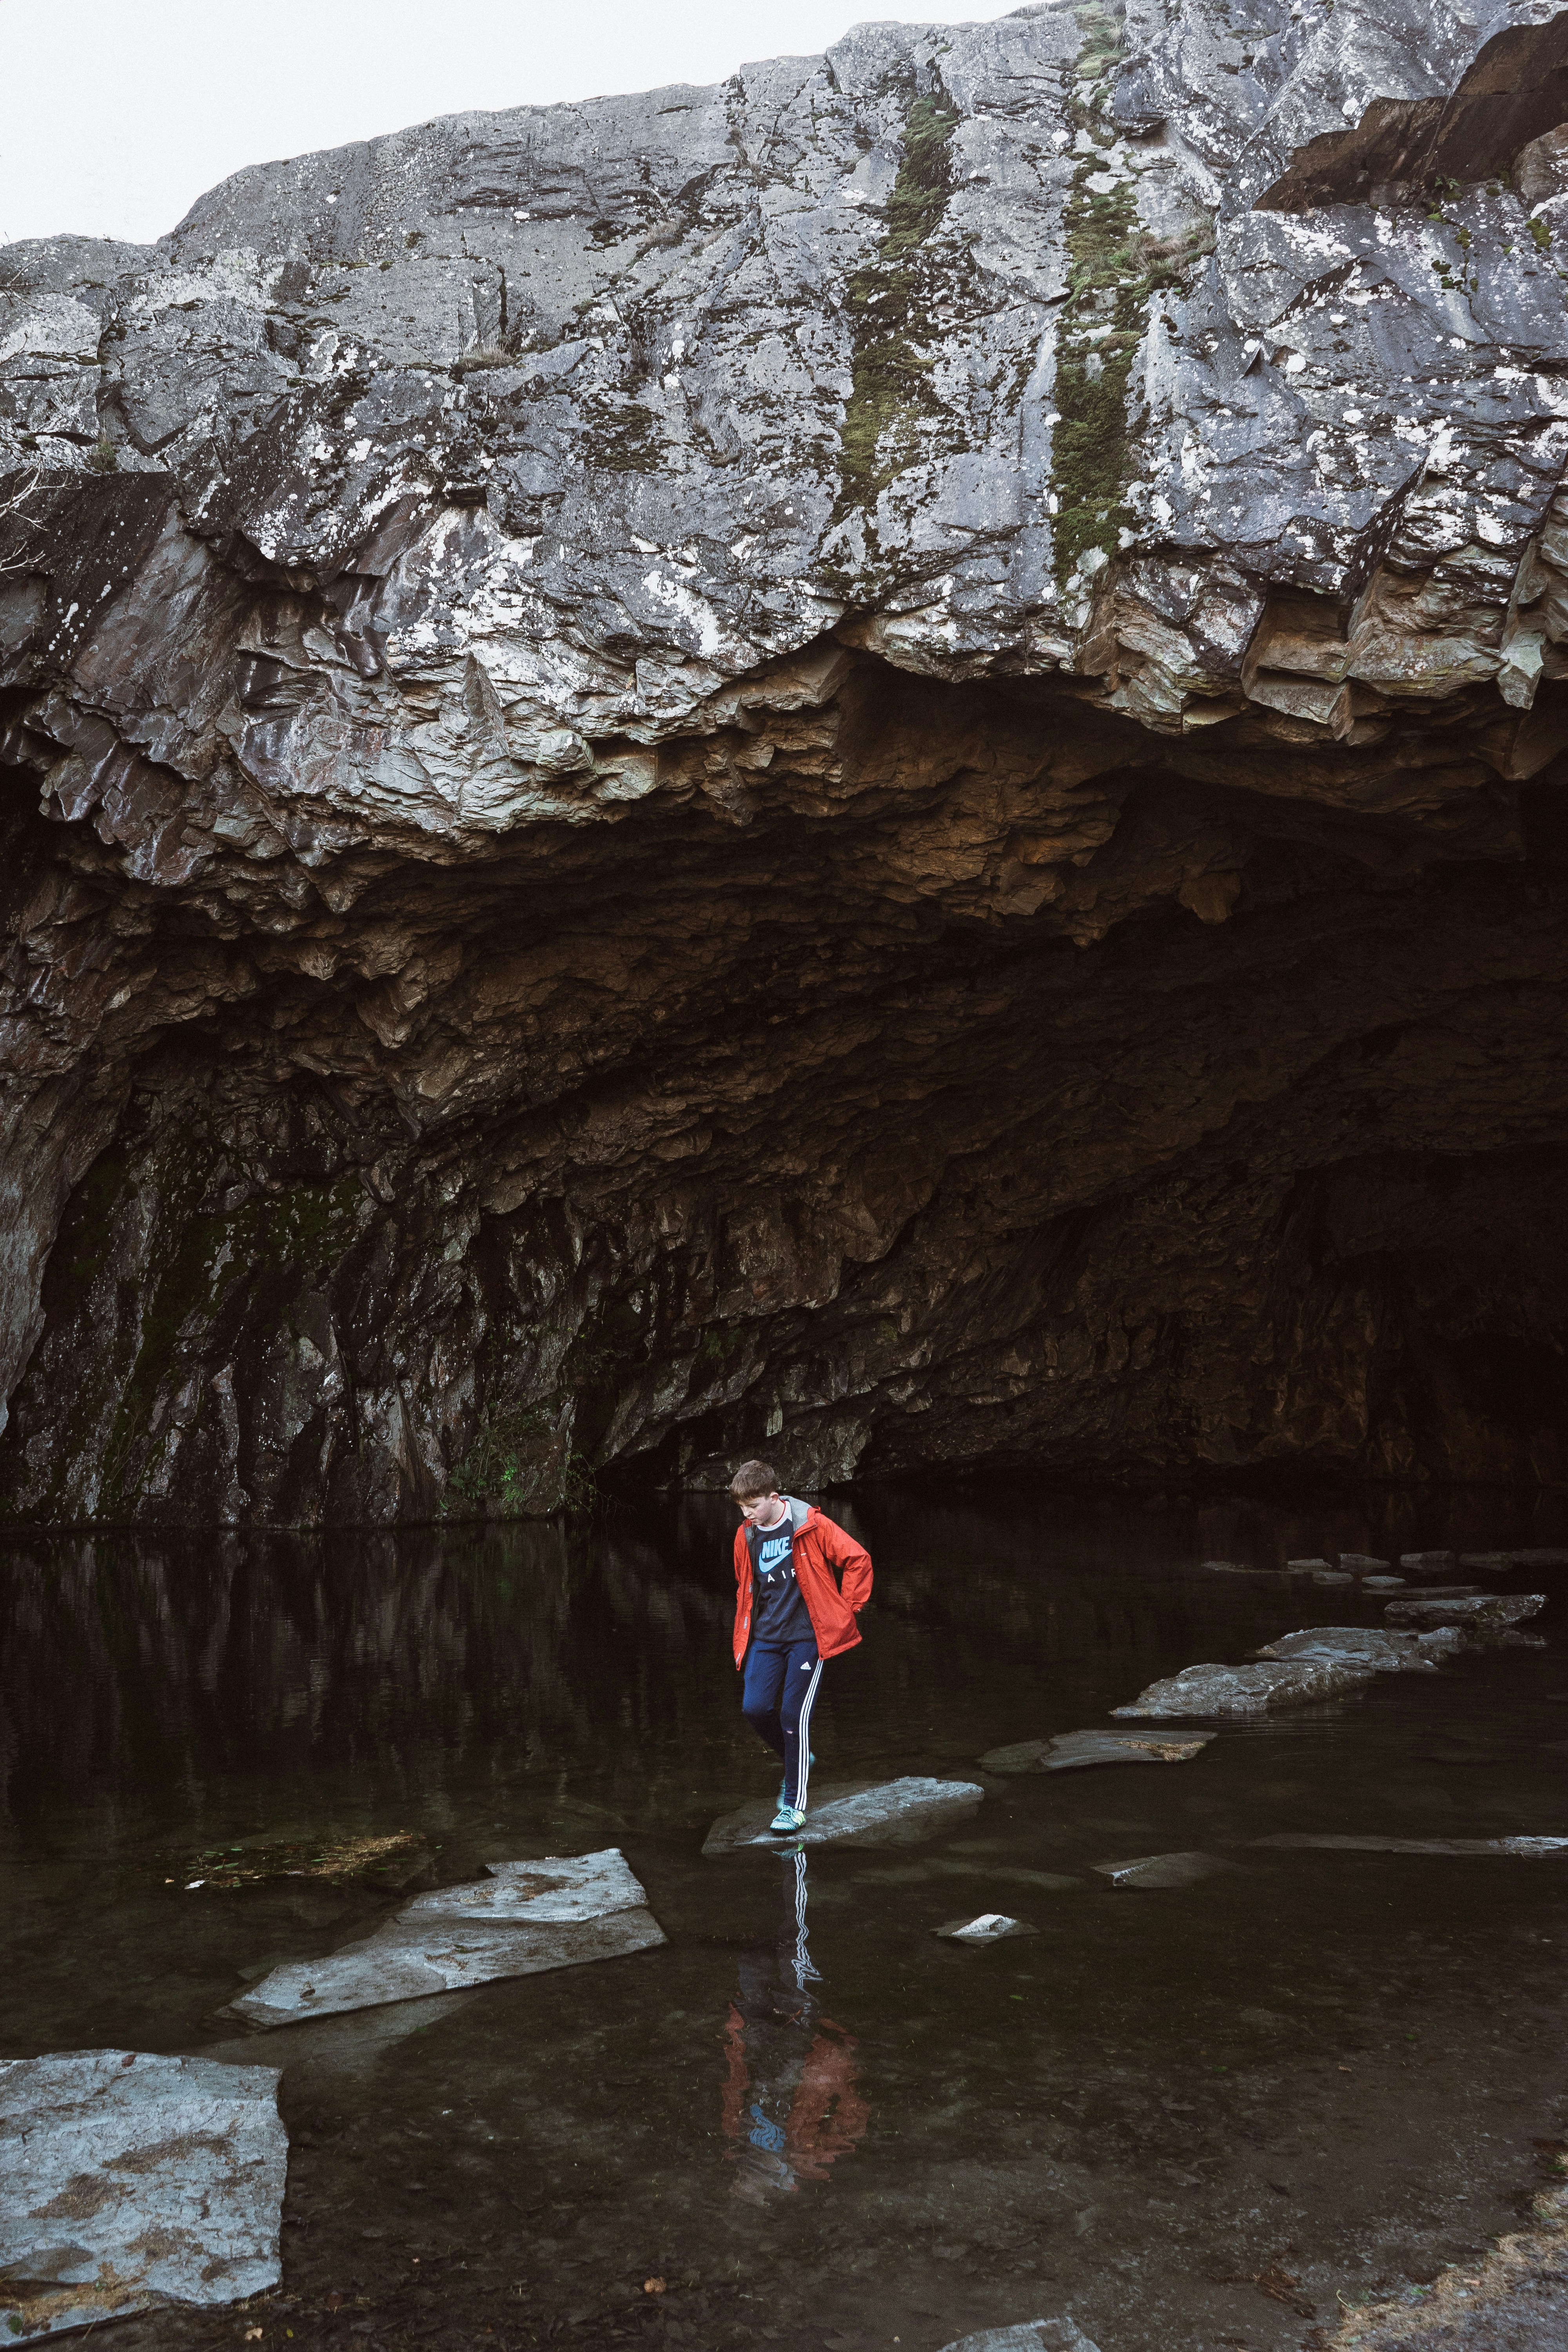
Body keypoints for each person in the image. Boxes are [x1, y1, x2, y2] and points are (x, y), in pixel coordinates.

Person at [728, 1458, 873, 1834]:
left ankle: (794, 1805)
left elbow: (858, 1559)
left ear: (774, 1497)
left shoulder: (810, 1523)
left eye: (754, 1507)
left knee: (795, 1717)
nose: (749, 1515)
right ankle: (800, 1757)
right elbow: (747, 1588)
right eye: (743, 1509)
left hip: (808, 1640)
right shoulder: (746, 1536)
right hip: (765, 1638)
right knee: (755, 1708)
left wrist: (846, 1609)